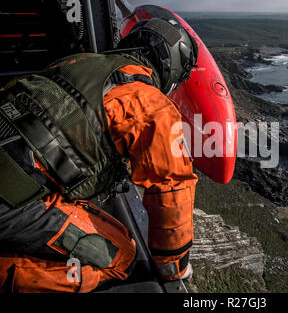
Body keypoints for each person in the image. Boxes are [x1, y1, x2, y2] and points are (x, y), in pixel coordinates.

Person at [0, 18, 198, 292]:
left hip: (17, 170)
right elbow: (172, 187)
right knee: (118, 257)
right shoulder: (150, 103)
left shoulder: (73, 63)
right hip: (11, 194)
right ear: (173, 67)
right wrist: (173, 267)